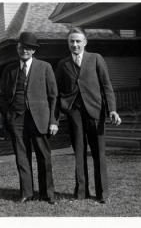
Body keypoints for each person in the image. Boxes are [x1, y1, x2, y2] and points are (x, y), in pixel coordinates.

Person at [55, 27, 122, 204]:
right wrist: (61, 109)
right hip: (74, 112)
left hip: (95, 111)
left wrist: (112, 110)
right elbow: (57, 91)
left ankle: (102, 193)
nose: (75, 44)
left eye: (78, 41)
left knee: (99, 153)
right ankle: (81, 192)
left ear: (85, 42)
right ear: (68, 43)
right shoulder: (63, 64)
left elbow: (106, 85)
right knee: (79, 152)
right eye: (71, 41)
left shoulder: (96, 59)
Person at [0, 32, 58, 205]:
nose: (25, 50)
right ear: (17, 48)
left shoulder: (45, 67)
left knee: (43, 156)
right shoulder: (9, 69)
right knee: (21, 156)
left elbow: (54, 96)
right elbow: (1, 95)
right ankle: (26, 192)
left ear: (33, 51)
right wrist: (7, 114)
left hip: (40, 118)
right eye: (22, 47)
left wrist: (53, 120)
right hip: (17, 119)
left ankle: (47, 193)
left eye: (29, 48)